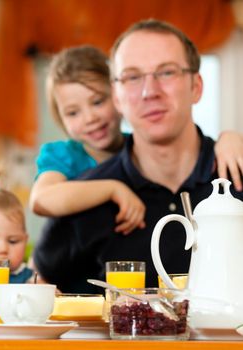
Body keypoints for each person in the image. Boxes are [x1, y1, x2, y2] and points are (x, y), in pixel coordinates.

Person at [33, 19, 243, 293]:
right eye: (132, 77)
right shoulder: (86, 196)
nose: (149, 92)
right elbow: (40, 286)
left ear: (196, 86)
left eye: (166, 72)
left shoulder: (236, 166)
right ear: (117, 97)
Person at [30, 45, 243, 235]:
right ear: (60, 118)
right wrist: (112, 189)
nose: (89, 118)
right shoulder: (63, 155)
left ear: (118, 97)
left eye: (97, 102)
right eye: (73, 113)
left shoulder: (139, 148)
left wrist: (229, 138)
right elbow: (41, 200)